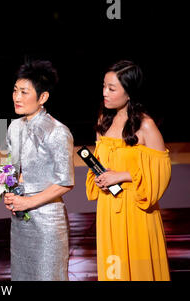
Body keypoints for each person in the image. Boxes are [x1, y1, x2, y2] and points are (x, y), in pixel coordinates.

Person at [86, 60, 171, 281]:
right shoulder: (103, 120)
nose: (105, 93)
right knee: (114, 269)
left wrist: (122, 176)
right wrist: (100, 177)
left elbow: (160, 173)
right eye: (104, 86)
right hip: (108, 209)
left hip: (136, 210)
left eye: (112, 89)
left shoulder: (145, 126)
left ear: (129, 92)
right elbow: (100, 160)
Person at [3, 60, 75, 280]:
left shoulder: (57, 132)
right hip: (20, 220)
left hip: (47, 223)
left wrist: (29, 202)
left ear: (43, 97)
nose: (17, 97)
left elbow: (66, 182)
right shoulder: (14, 127)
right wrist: (9, 192)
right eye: (15, 91)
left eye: (24, 92)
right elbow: (12, 169)